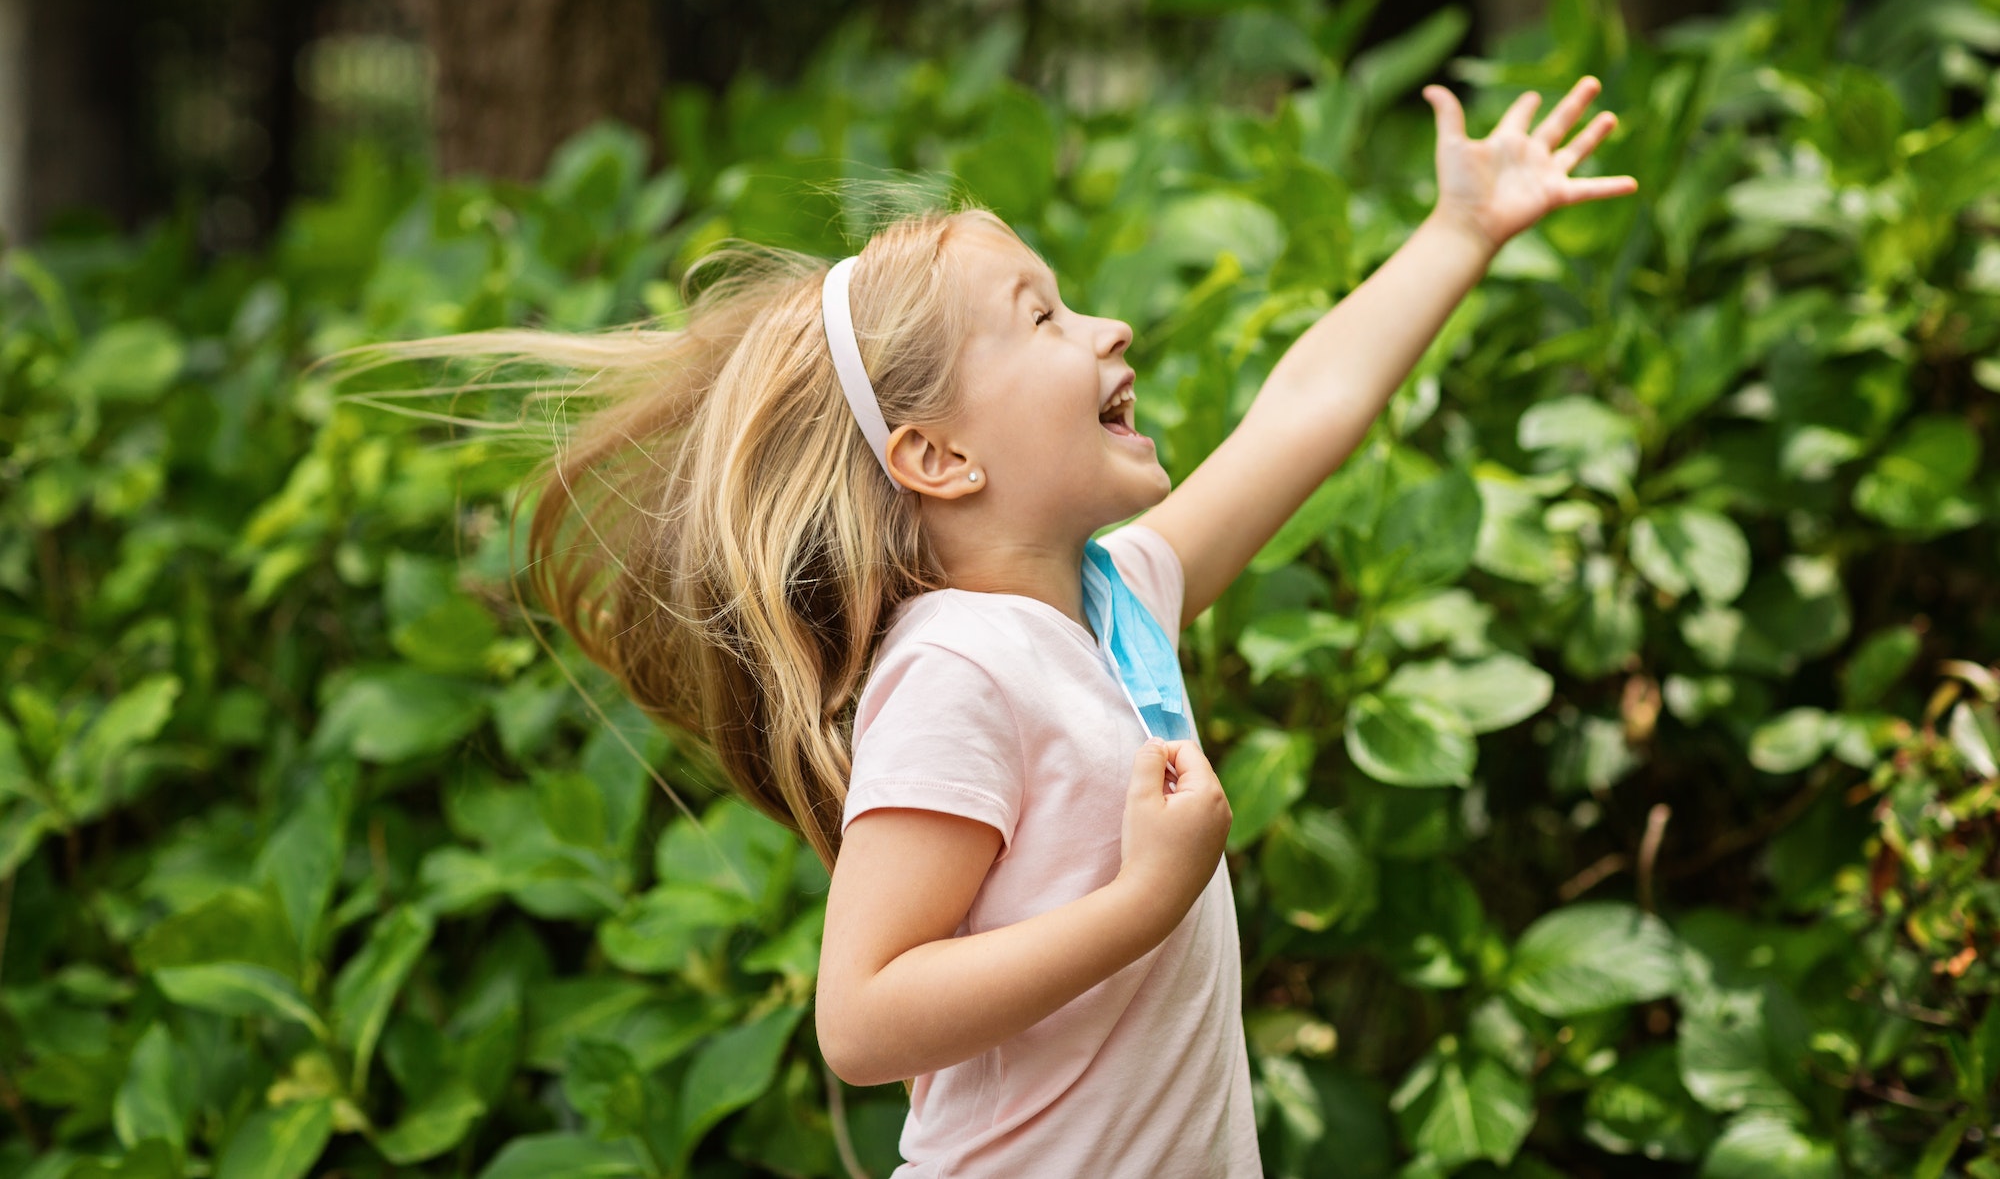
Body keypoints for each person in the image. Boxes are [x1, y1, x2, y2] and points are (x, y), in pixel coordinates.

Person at [359, 75, 1633, 1176]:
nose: (1108, 327)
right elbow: (861, 1015)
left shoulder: (1115, 601)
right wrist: (1142, 900)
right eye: (1042, 317)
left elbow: (1303, 405)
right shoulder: (955, 670)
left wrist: (1459, 232)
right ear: (934, 454)